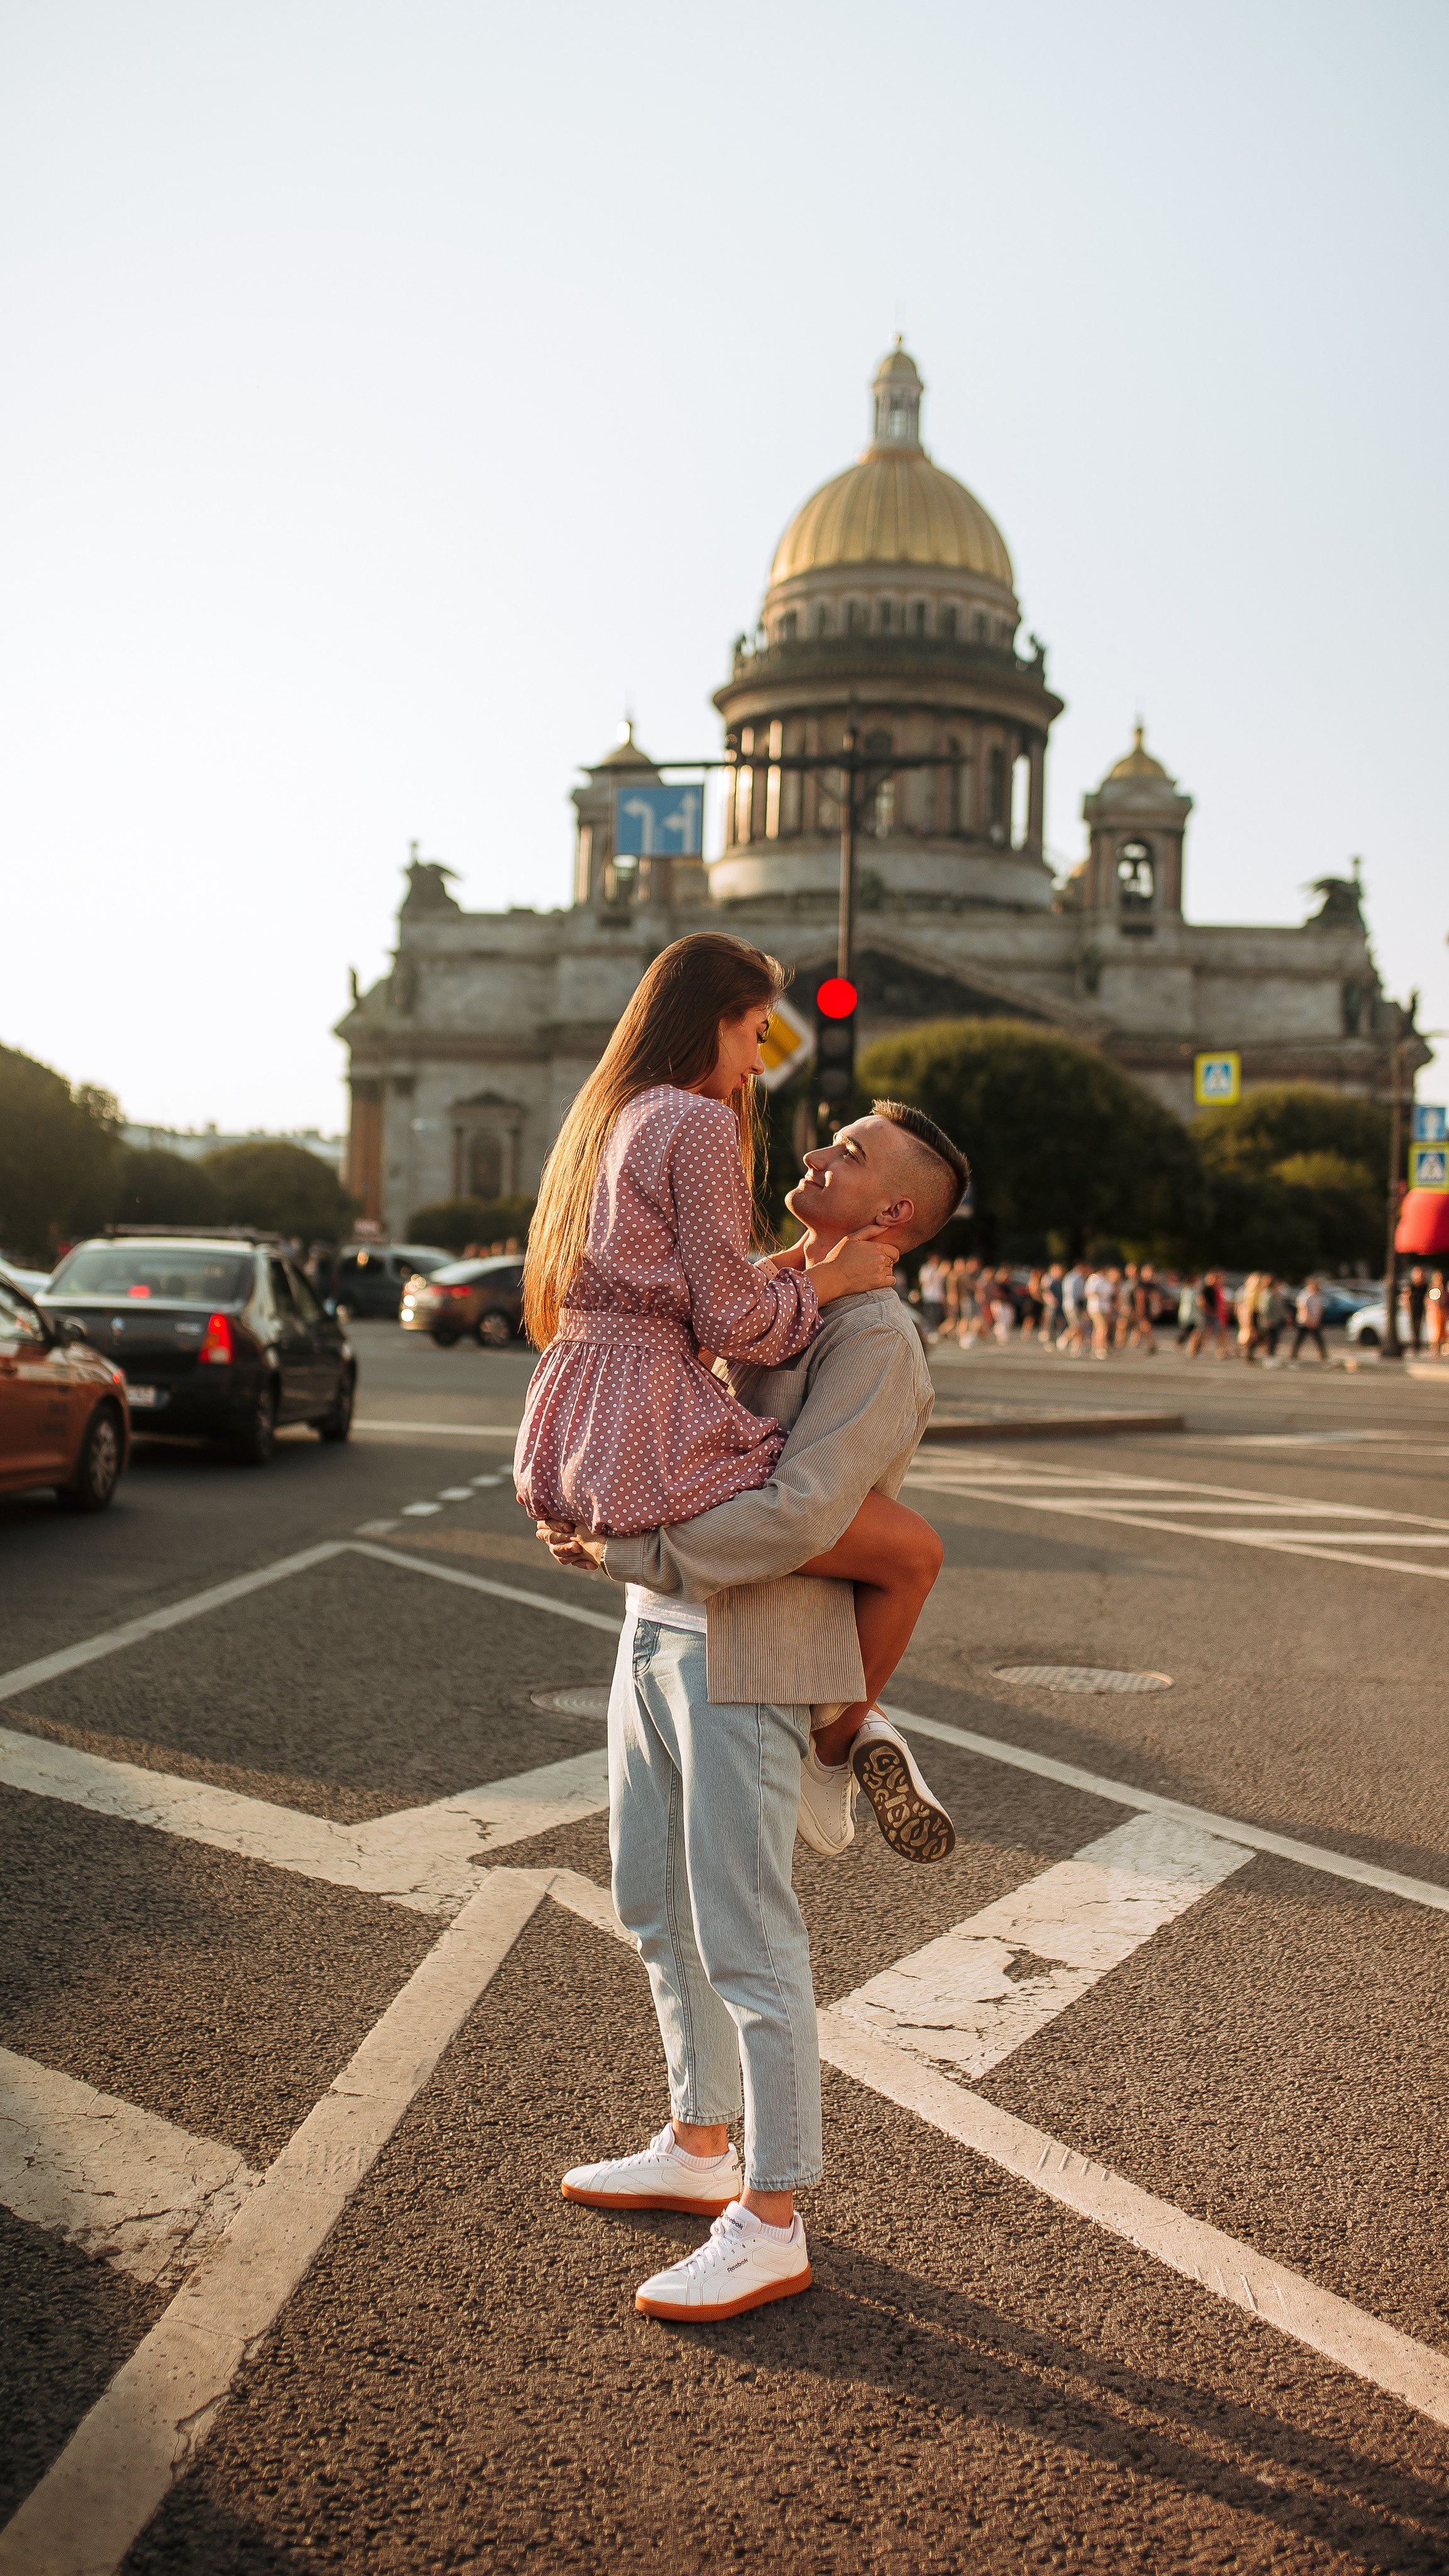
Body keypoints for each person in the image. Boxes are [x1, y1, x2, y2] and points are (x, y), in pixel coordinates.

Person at [543, 1097, 970, 2323]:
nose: (817, 1152)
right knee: (652, 1900)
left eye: (851, 1154)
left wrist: (635, 1546)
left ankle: (773, 2215)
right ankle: (698, 2138)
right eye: (827, 1135)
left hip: (755, 1645)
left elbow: (801, 1513)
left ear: (896, 1214)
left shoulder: (877, 1340)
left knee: (748, 1934)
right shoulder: (774, 1294)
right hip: (660, 1634)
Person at [515, 931, 947, 1789]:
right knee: (912, 1551)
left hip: (581, 1406)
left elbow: (667, 1288)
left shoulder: (618, 1112)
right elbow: (731, 1324)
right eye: (756, 1030)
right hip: (664, 1465)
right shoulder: (702, 1123)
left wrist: (797, 1272)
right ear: (714, 1022)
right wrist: (822, 1286)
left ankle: (845, 1727)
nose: (759, 1061)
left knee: (662, 1900)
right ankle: (840, 1740)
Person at [1084, 1261, 1116, 1358]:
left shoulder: (1108, 1281)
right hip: (1097, 1307)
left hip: (1105, 1308)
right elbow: (1090, 1292)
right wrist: (1101, 1295)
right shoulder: (1096, 1279)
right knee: (1102, 1328)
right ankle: (1099, 1348)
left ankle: (1097, 1347)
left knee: (1100, 1328)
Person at [1292, 1277, 1328, 1363]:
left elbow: (1320, 1309)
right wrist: (1310, 1321)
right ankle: (1293, 1358)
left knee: (1319, 1340)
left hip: (1314, 1321)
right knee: (1300, 1340)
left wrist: (1317, 1320)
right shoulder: (1305, 1295)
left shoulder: (1317, 1295)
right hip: (1305, 1322)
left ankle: (1325, 1358)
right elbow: (1303, 1309)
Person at [1408, 1267, 1428, 1353]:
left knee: (1419, 1326)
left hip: (1421, 1308)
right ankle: (1415, 1345)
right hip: (1413, 1308)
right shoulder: (1412, 1286)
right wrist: (1409, 1306)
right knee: (1414, 1327)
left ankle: (1418, 1344)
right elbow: (1408, 1296)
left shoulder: (1425, 1286)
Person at [1427, 1269, 1446, 1359]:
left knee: (1441, 1331)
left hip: (1442, 1313)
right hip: (1433, 1313)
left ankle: (1440, 1348)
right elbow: (1428, 1300)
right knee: (1434, 1332)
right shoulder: (1432, 1288)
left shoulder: (1444, 1289)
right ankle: (1434, 1349)